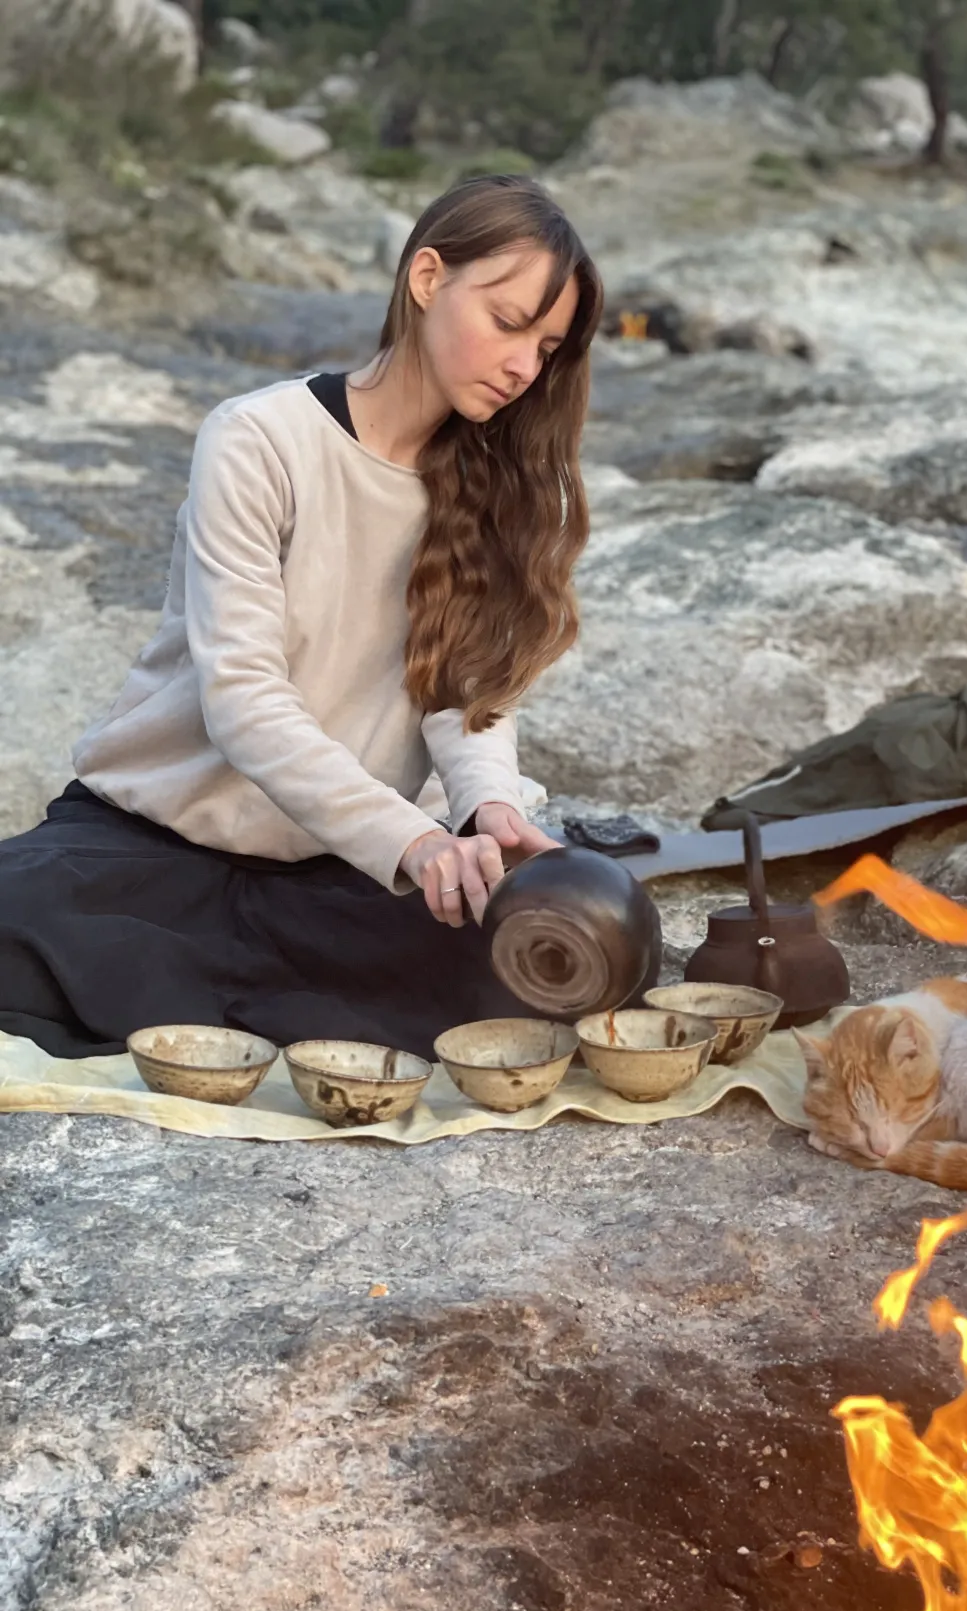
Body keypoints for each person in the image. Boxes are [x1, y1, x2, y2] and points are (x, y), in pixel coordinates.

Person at [0, 175, 604, 1060]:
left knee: (553, 972)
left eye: (548, 348)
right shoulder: (260, 439)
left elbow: (463, 688)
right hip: (165, 844)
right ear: (427, 278)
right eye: (510, 324)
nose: (524, 367)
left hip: (349, 868)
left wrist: (487, 811)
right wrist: (415, 843)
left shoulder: (496, 480)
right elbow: (243, 698)